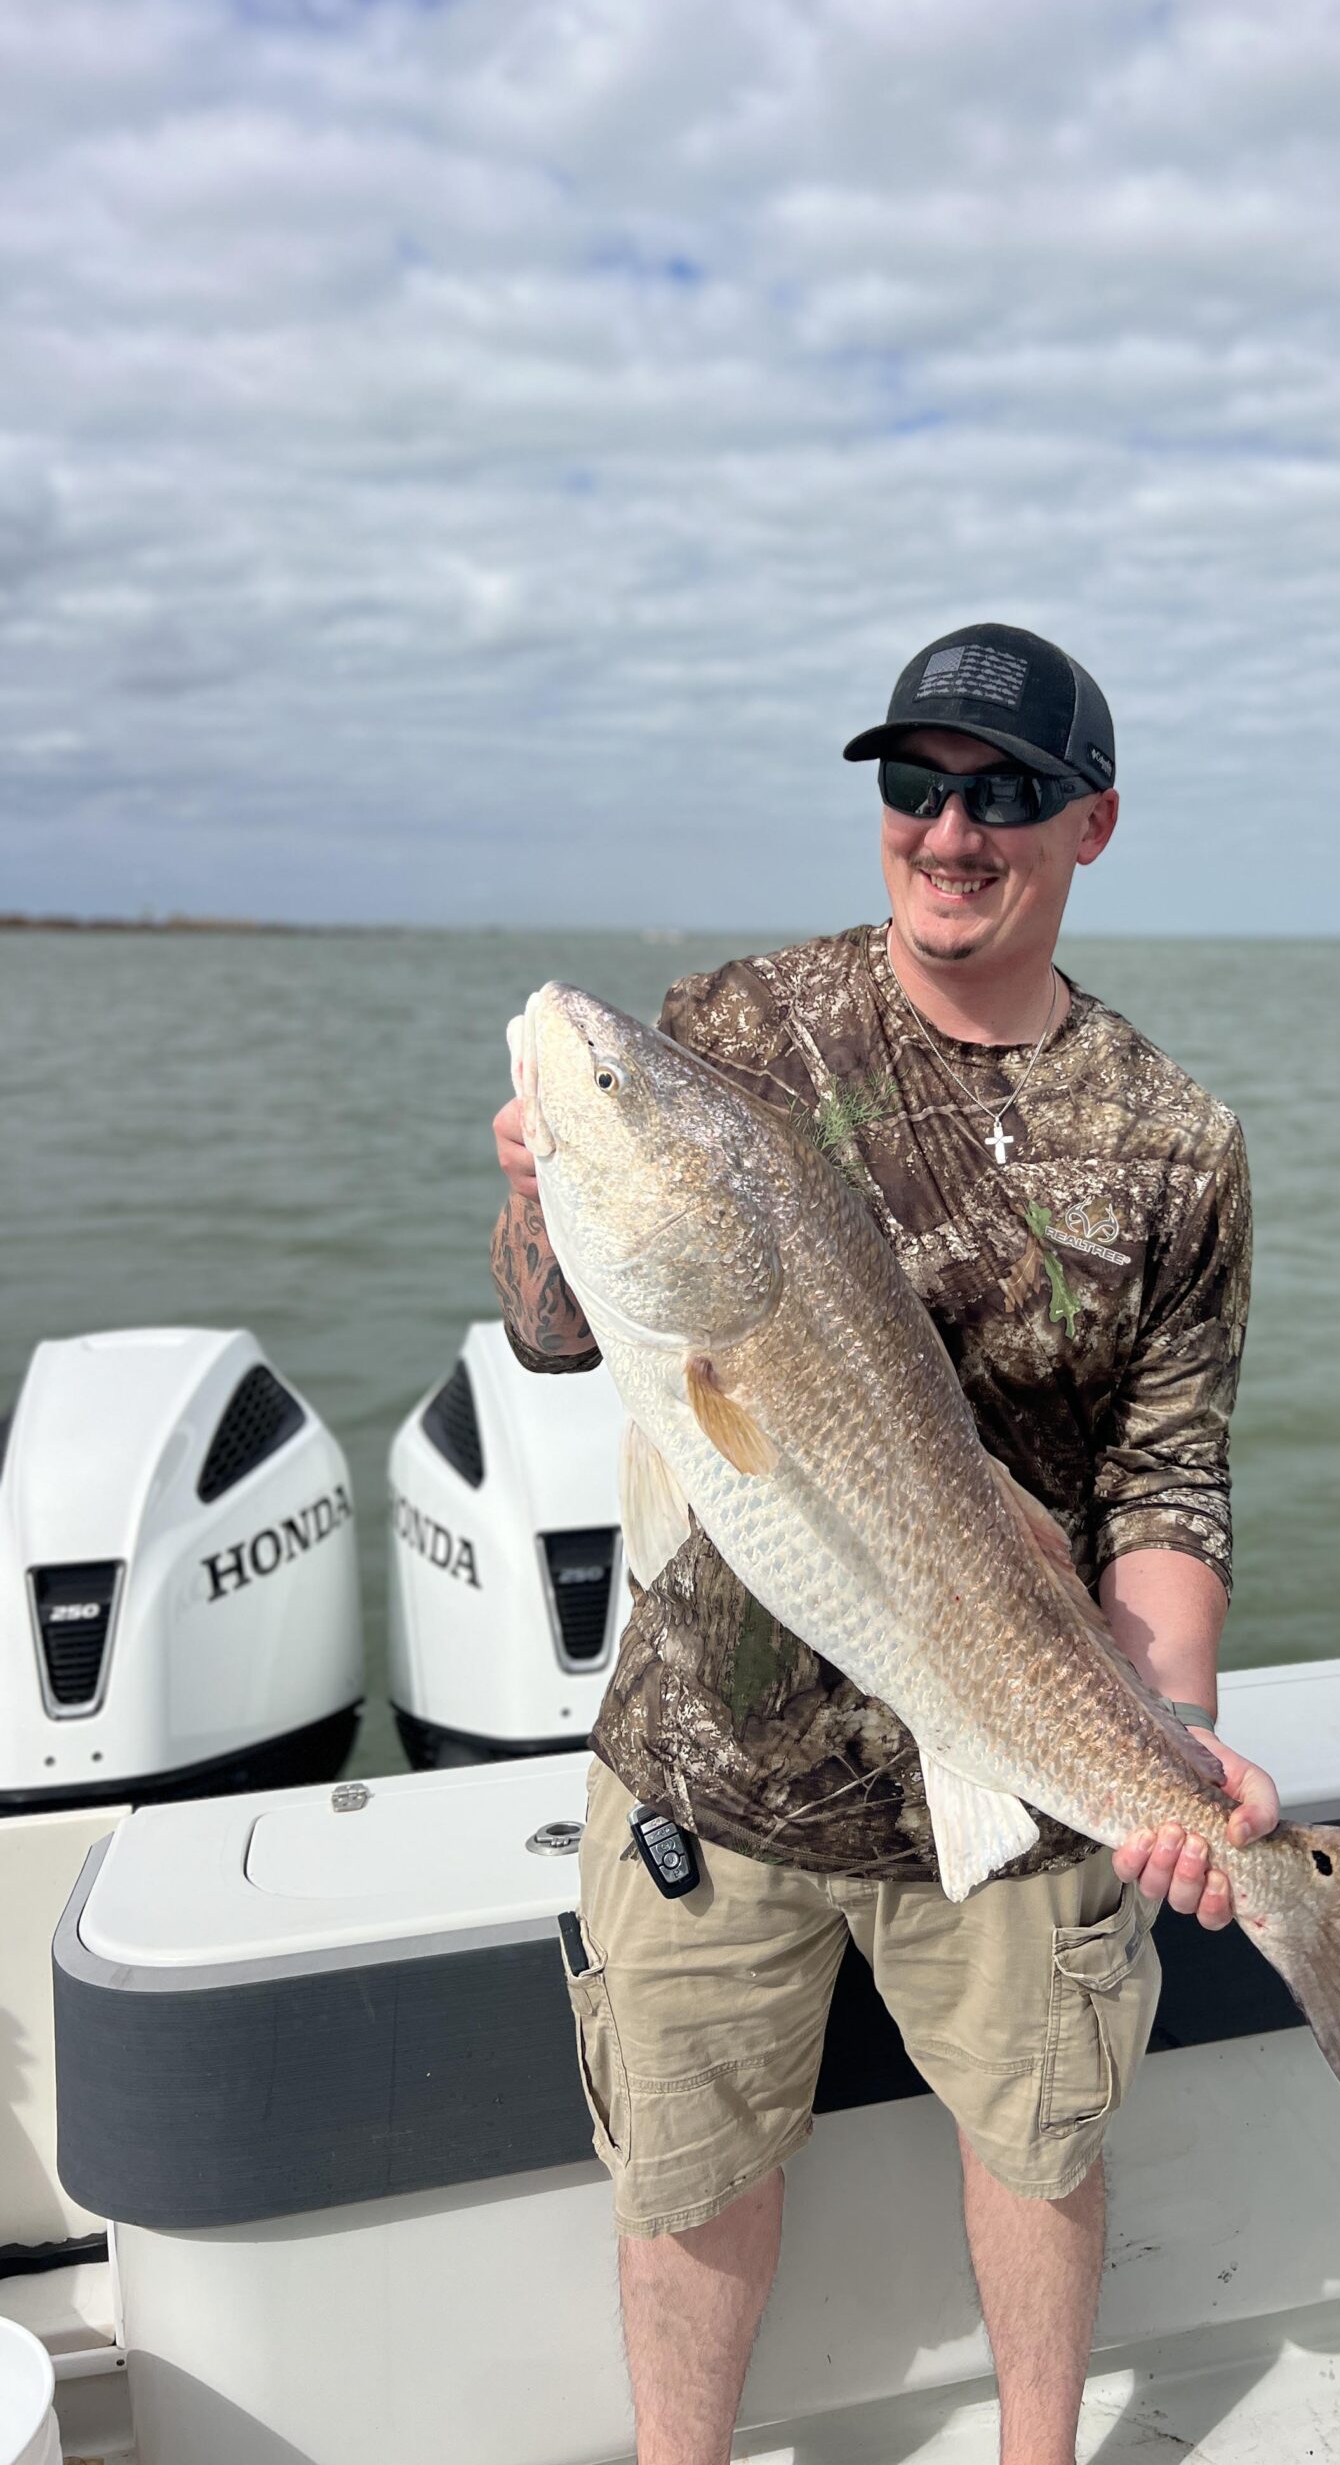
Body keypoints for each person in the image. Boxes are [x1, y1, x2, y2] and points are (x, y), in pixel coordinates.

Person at [490, 622, 1275, 2465]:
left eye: (1000, 791)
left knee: (1038, 2145)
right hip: (710, 1764)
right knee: (684, 2177)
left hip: (1013, 1754)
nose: (948, 828)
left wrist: (1165, 1746)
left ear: (1091, 824)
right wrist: (544, 1185)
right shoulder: (739, 1036)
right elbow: (553, 1330)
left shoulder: (1175, 1145)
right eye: (913, 784)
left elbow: (1166, 1480)